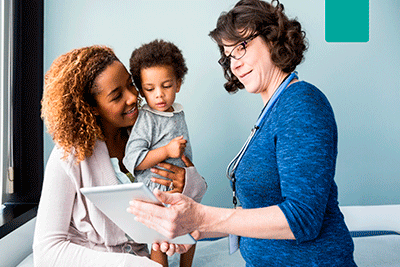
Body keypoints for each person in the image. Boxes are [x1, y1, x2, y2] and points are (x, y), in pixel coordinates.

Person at [127, 0, 357, 266]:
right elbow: (255, 214)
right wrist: (190, 229)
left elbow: (303, 218)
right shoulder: (272, 113)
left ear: (273, 39)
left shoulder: (301, 103)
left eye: (242, 46)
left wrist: (202, 216)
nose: (234, 64)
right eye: (228, 55)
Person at [33, 45, 207, 267]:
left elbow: (192, 195)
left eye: (131, 85)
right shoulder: (69, 155)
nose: (133, 97)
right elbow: (47, 251)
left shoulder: (147, 133)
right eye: (116, 96)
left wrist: (186, 182)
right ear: (92, 107)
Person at [123, 39, 197, 266]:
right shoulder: (147, 118)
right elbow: (132, 160)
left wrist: (190, 173)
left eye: (166, 86)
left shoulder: (178, 113)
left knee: (192, 230)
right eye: (150, 89)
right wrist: (166, 150)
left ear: (178, 83)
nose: (159, 95)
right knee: (158, 241)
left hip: (179, 190)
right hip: (155, 193)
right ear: (142, 90)